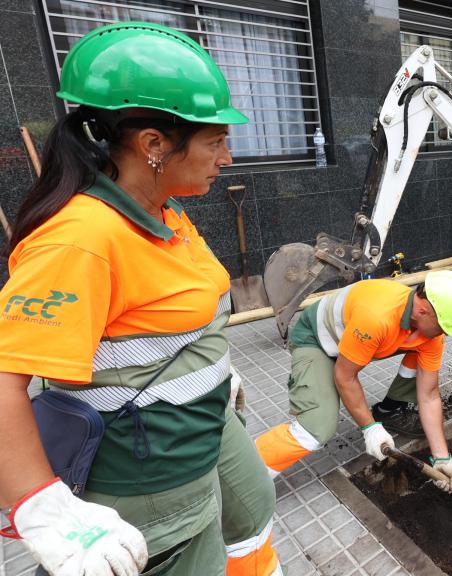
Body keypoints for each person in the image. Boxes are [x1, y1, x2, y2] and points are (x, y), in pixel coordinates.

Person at [0, 22, 282, 575]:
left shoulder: (165, 213)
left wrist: (209, 365)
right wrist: (41, 506)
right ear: (154, 144)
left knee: (252, 508)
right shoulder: (81, 240)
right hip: (149, 470)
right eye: (216, 140)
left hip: (199, 422)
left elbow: (170, 316)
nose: (227, 157)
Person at [254, 272, 452, 493]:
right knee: (317, 427)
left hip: (356, 340)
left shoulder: (429, 333)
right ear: (422, 310)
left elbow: (429, 395)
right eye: (442, 326)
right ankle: (248, 469)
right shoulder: (377, 317)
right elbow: (344, 376)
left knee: (421, 358)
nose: (443, 333)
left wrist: (441, 457)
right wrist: (369, 428)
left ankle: (388, 411)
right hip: (318, 341)